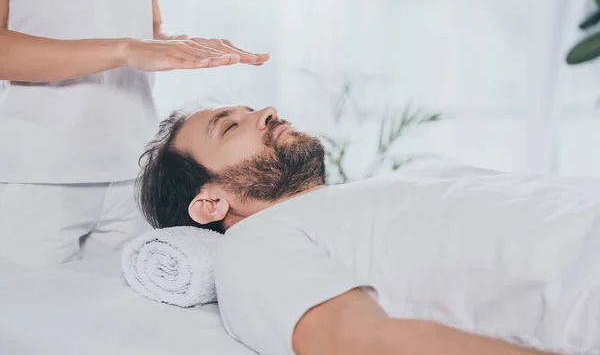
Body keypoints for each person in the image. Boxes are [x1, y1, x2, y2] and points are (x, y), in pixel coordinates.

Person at [137, 104, 600, 355]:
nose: (268, 112)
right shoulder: (252, 246)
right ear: (212, 202)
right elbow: (357, 343)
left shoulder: (378, 195)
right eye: (230, 126)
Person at [0, 0, 269, 268]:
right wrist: (126, 50)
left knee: (123, 310)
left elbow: (149, 30)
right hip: (36, 171)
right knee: (24, 308)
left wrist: (185, 46)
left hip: (134, 168)